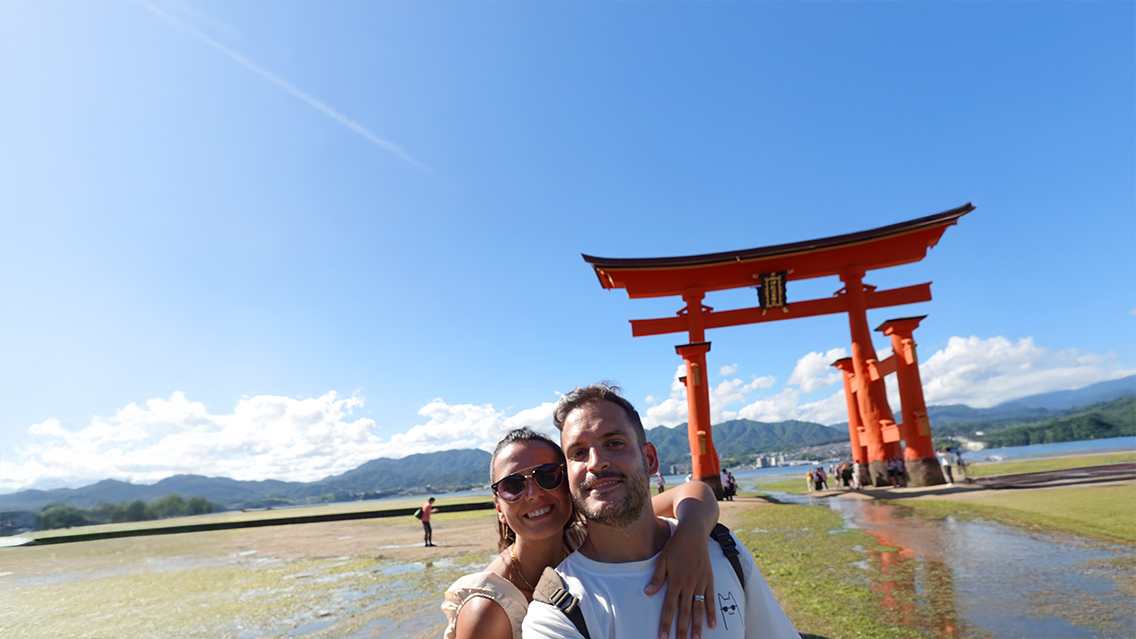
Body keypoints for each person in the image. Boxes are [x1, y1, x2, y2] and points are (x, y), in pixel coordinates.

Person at [523, 383, 800, 639]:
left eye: (614, 443)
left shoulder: (723, 550)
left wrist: (693, 532)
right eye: (578, 453)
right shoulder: (556, 613)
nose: (596, 463)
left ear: (650, 459)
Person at [442, 427, 721, 639]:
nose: (533, 493)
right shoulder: (487, 609)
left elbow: (692, 493)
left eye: (548, 475)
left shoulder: (587, 536)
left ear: (569, 483)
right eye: (513, 485)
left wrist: (691, 538)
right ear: (499, 507)